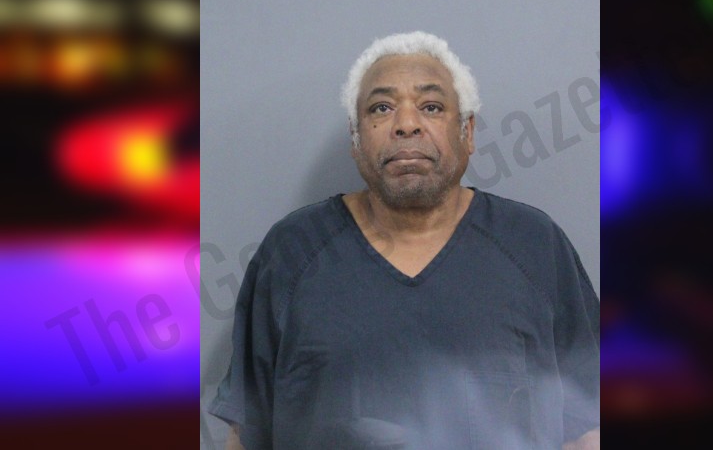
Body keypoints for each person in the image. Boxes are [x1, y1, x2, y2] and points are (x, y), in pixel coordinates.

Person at [209, 32, 600, 450]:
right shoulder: (292, 252)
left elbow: (584, 430)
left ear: (467, 132)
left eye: (431, 107)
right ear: (356, 138)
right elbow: (247, 435)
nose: (407, 124)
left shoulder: (533, 245)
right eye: (382, 108)